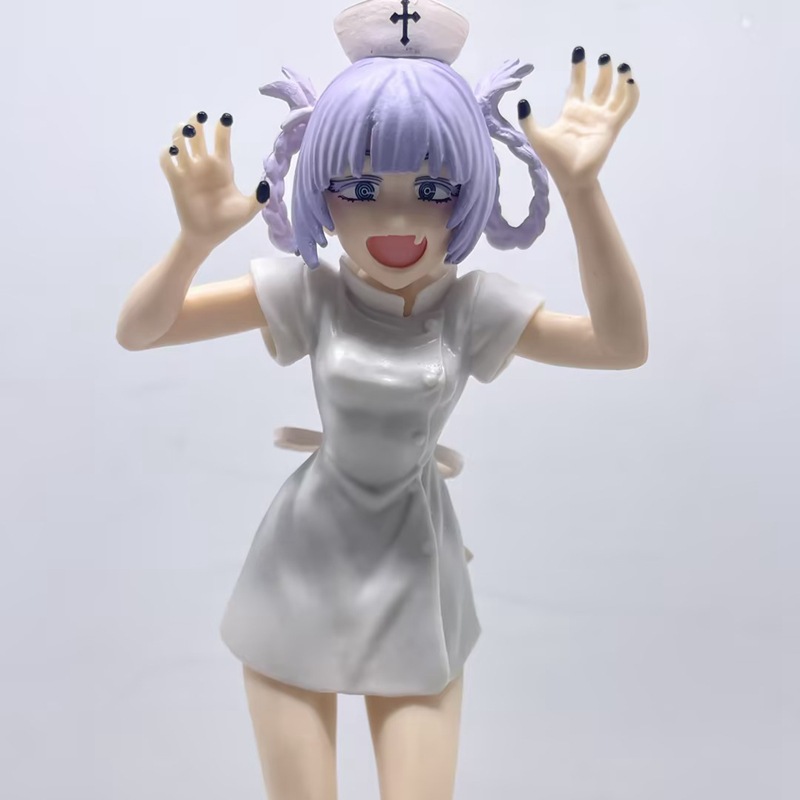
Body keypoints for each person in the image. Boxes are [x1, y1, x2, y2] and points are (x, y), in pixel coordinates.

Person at [116, 2, 647, 798]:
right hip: (299, 571)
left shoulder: (470, 309)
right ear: (322, 191)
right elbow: (143, 332)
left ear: (468, 191)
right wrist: (193, 242)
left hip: (414, 577)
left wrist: (583, 191)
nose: (396, 219)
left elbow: (619, 346)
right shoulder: (314, 294)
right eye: (359, 187)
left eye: (431, 188)